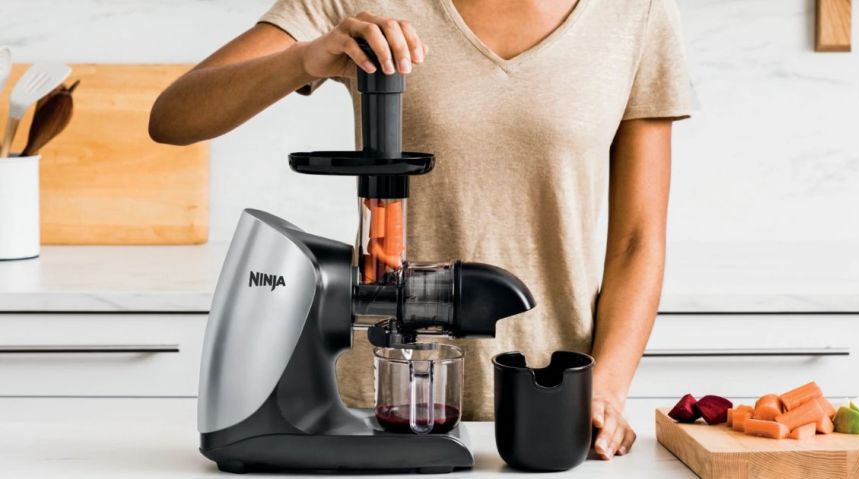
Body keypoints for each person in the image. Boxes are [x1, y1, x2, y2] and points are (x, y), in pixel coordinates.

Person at [150, 0, 692, 460]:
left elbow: (637, 239)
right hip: (380, 400)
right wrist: (304, 59)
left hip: (545, 407)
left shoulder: (636, 12)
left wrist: (606, 389)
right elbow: (173, 117)